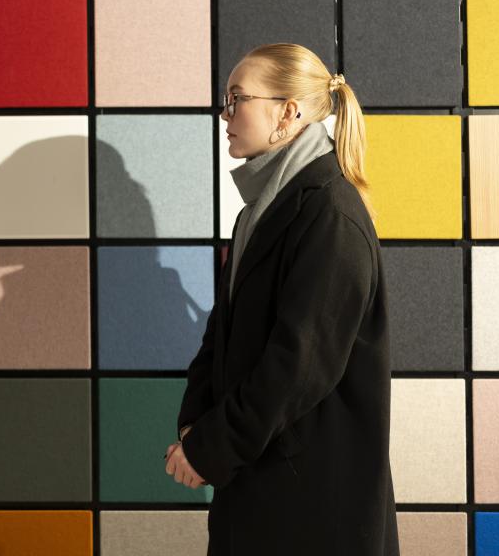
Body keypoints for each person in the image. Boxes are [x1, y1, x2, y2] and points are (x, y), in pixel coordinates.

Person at [163, 43, 399, 555]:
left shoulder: (330, 214)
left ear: (287, 113)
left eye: (236, 99)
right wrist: (195, 422)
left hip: (310, 501)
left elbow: (298, 364)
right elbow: (221, 329)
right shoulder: (259, 211)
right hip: (260, 482)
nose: (225, 115)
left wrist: (212, 446)